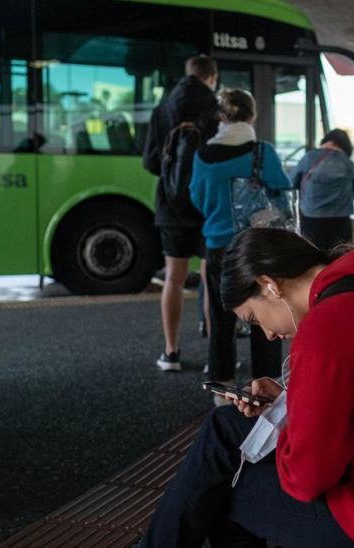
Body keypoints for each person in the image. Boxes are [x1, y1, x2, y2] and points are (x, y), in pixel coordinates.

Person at [141, 228, 354, 547]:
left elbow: (306, 479)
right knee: (224, 425)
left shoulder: (325, 327)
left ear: (269, 285)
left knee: (221, 494)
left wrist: (293, 417)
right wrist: (291, 400)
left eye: (255, 319)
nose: (268, 335)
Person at [189, 89, 289, 392]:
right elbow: (283, 192)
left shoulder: (202, 155)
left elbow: (196, 197)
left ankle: (222, 385)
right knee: (264, 316)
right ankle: (266, 385)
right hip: (256, 246)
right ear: (252, 116)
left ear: (222, 117)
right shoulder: (262, 152)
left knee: (221, 318)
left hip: (219, 245)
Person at [143, 55, 220, 372]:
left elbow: (149, 162)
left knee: (173, 280)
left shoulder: (163, 109)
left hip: (171, 207)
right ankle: (215, 358)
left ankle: (171, 352)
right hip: (207, 206)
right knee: (209, 277)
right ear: (211, 77)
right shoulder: (215, 109)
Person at [292, 129, 354, 251]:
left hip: (311, 218)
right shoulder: (347, 162)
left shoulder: (309, 157)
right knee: (340, 256)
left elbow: (292, 182)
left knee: (312, 254)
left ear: (326, 140)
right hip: (341, 219)